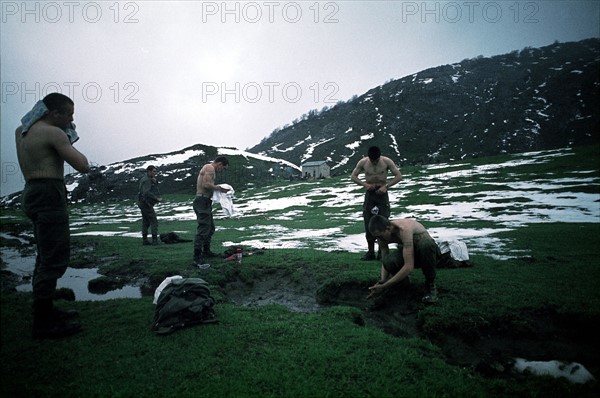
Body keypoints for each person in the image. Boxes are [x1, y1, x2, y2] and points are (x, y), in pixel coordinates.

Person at [14, 93, 90, 339]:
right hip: (49, 193)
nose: (71, 119)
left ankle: (45, 310)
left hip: (31, 191)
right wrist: (68, 136)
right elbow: (82, 165)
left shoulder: (21, 131)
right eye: (69, 114)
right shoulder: (54, 133)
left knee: (44, 255)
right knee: (54, 258)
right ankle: (43, 322)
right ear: (54, 113)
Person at [367, 215, 440, 304]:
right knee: (389, 261)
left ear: (388, 228)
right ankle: (402, 284)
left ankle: (430, 284)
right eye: (376, 237)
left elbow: (409, 266)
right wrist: (382, 281)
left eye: (380, 236)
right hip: (410, 251)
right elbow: (385, 260)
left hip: (428, 253)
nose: (379, 239)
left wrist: (385, 286)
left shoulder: (404, 229)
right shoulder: (382, 236)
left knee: (425, 245)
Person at [350, 146, 402, 260]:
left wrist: (386, 186)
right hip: (370, 193)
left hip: (382, 193)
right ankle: (370, 252)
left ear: (380, 156)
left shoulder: (386, 161)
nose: (374, 162)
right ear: (369, 157)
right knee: (368, 221)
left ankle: (382, 252)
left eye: (376, 160)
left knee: (383, 220)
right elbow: (353, 176)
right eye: (372, 160)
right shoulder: (363, 162)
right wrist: (365, 184)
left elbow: (398, 176)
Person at [193, 156, 230, 265]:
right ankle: (197, 256)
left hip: (205, 201)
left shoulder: (210, 168)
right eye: (223, 168)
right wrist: (219, 188)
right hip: (202, 200)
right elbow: (206, 184)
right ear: (219, 164)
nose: (222, 170)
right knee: (204, 228)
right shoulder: (209, 168)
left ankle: (206, 251)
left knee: (210, 228)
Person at [137, 165, 162, 245]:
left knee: (146, 221)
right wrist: (156, 198)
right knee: (154, 221)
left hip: (142, 202)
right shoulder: (147, 180)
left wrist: (154, 182)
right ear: (149, 171)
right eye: (154, 171)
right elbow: (146, 192)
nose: (155, 173)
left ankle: (145, 240)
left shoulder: (146, 179)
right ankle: (154, 240)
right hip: (146, 203)